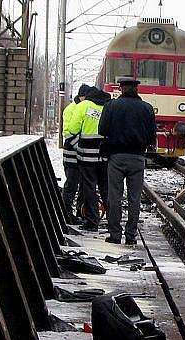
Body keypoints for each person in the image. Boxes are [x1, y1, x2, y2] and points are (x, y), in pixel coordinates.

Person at [98, 76, 156, 245]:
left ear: (121, 88)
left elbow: (102, 129)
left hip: (116, 157)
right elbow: (152, 136)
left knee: (114, 196)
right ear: (136, 89)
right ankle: (131, 236)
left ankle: (115, 235)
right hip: (137, 157)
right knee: (134, 197)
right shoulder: (147, 108)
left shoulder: (111, 106)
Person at [65, 86, 110, 231]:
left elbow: (72, 129)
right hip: (104, 157)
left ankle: (92, 221)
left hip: (86, 156)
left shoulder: (84, 106)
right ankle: (112, 221)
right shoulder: (108, 106)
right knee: (106, 188)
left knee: (89, 187)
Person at [62, 84, 91, 222]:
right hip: (72, 155)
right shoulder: (70, 110)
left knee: (83, 187)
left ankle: (80, 212)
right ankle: (66, 213)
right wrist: (81, 147)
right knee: (71, 185)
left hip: (81, 156)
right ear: (81, 96)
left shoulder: (84, 108)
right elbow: (68, 132)